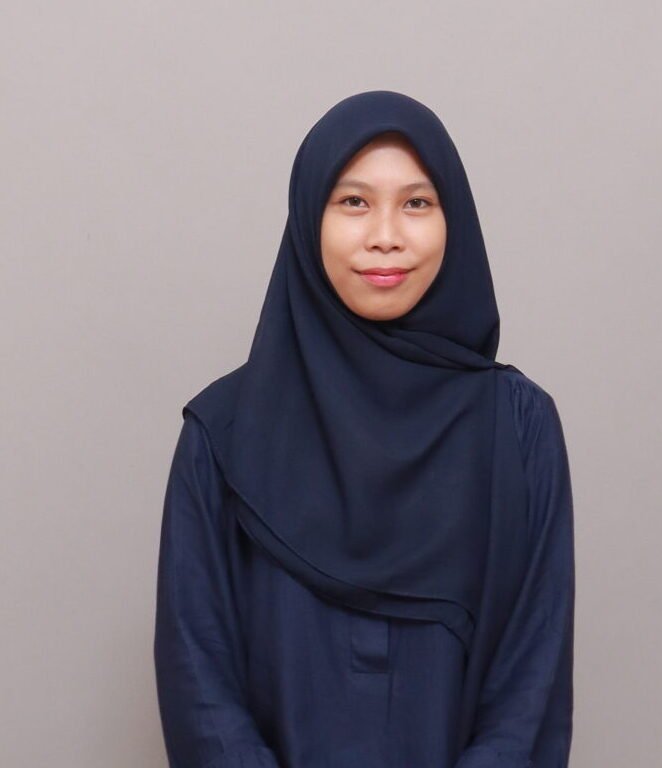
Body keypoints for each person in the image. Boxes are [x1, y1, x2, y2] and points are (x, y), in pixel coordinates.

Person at [153, 90, 575, 768]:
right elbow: (197, 680)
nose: (386, 234)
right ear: (307, 219)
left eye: (417, 203)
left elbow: (533, 683)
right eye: (353, 201)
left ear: (455, 220)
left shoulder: (519, 427)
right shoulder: (223, 434)